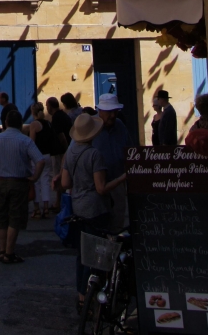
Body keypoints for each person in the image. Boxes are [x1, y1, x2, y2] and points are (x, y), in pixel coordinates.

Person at [61, 114, 126, 306]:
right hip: (96, 208)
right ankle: (94, 294)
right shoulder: (95, 155)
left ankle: (82, 295)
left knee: (82, 253)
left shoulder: (71, 153)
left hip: (78, 206)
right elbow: (101, 188)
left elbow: (65, 182)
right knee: (97, 254)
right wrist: (122, 179)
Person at [0, 109, 44, 263]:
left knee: (1, 216)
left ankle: (2, 250)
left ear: (6, 123)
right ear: (20, 124)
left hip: (0, 181)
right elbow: (40, 160)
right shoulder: (25, 140)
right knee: (15, 217)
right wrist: (34, 177)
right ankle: (9, 252)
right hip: (19, 182)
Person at [92, 93, 130, 233]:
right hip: (95, 186)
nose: (113, 115)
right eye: (109, 112)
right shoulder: (90, 126)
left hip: (117, 183)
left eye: (115, 111)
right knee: (99, 228)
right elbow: (74, 151)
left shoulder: (120, 126)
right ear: (100, 110)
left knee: (117, 225)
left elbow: (129, 150)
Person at [28, 103, 55, 218]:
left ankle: (37, 209)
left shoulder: (34, 124)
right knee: (45, 182)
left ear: (32, 112)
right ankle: (46, 208)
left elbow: (31, 143)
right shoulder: (48, 123)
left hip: (37, 157)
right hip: (47, 155)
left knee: (36, 182)